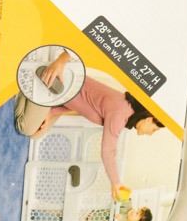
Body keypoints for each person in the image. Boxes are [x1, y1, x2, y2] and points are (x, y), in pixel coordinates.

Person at [14, 52, 164, 200]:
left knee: (36, 134)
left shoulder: (125, 115)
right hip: (55, 84)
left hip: (60, 95)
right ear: (149, 119)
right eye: (154, 129)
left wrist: (52, 113)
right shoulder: (120, 113)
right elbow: (108, 151)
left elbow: (81, 105)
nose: (151, 133)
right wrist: (116, 183)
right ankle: (27, 81)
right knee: (25, 127)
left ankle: (33, 91)